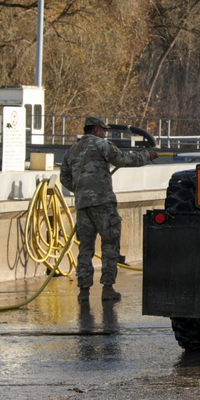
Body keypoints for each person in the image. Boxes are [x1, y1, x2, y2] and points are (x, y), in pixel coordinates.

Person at [60, 117, 158, 302]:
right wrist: (147, 156)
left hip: (82, 205)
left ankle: (84, 292)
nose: (105, 134)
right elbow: (122, 159)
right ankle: (107, 289)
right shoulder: (101, 144)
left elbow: (64, 178)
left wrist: (83, 189)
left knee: (85, 249)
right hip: (103, 203)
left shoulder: (72, 150)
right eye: (103, 130)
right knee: (110, 246)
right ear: (96, 130)